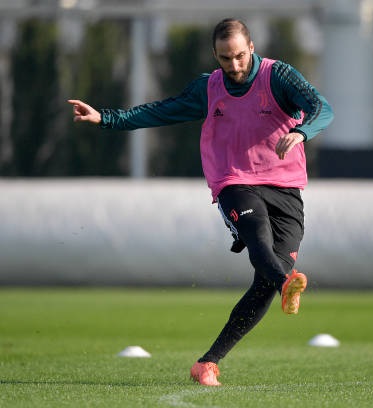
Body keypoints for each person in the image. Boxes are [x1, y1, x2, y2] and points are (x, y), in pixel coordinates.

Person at [68, 18, 333, 386]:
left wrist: (302, 132)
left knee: (262, 283)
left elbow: (323, 107)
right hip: (234, 182)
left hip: (286, 188)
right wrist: (105, 118)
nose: (235, 66)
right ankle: (284, 281)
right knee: (257, 237)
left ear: (251, 48)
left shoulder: (279, 77)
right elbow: (159, 110)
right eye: (226, 59)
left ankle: (207, 363)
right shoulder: (208, 89)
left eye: (240, 56)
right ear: (215, 55)